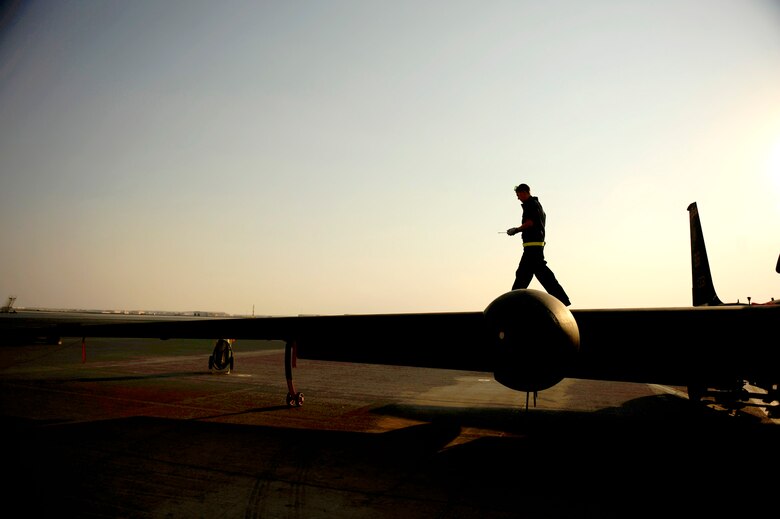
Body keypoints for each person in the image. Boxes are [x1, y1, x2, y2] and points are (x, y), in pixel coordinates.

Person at [506, 183, 571, 306]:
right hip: (534, 246)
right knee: (530, 274)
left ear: (525, 192)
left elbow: (530, 222)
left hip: (532, 247)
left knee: (528, 274)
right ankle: (562, 300)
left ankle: (512, 302)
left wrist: (516, 230)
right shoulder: (537, 205)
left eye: (518, 195)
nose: (518, 198)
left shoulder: (531, 205)